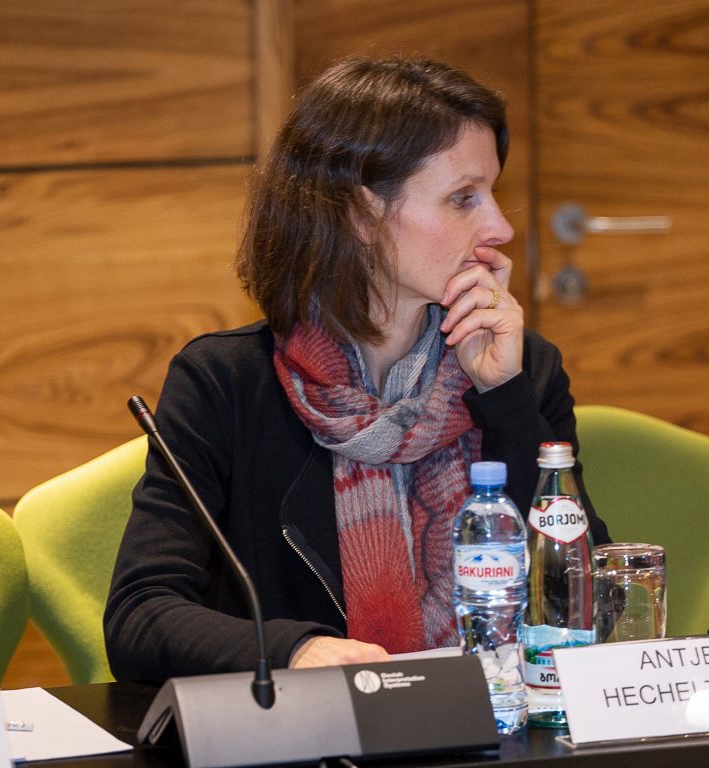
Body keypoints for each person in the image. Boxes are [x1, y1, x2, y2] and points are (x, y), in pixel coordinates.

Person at [104, 56, 610, 682]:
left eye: (493, 194)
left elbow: (587, 600)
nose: (501, 228)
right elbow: (140, 615)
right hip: (315, 726)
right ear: (362, 215)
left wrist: (503, 397)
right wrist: (293, 650)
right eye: (463, 199)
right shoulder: (227, 383)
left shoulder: (523, 367)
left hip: (498, 712)